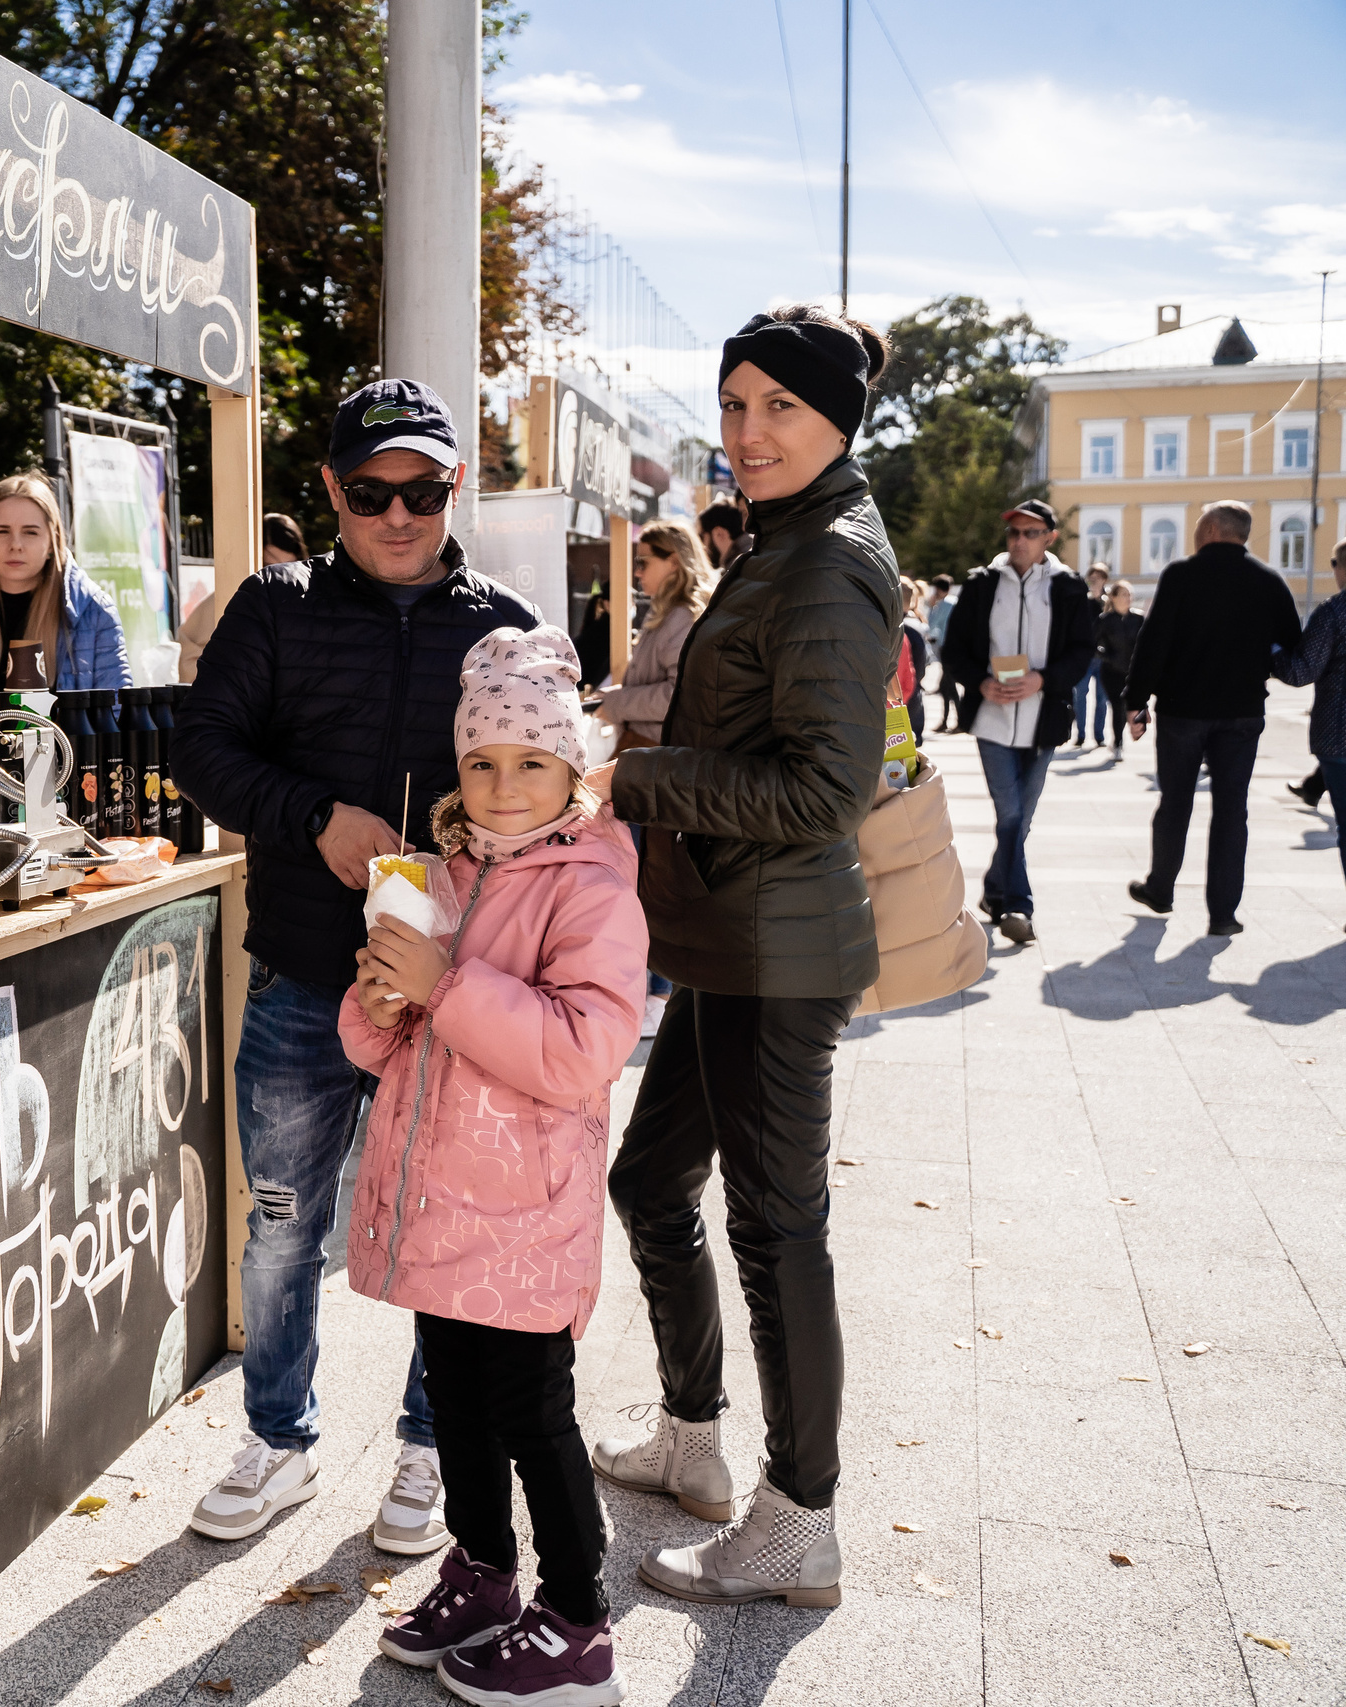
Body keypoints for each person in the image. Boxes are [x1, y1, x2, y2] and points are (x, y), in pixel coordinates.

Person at [173, 377, 541, 1554]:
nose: (398, 514)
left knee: (443, 1223)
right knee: (282, 1223)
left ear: (453, 488)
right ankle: (277, 1442)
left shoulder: (506, 626)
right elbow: (203, 752)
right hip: (299, 976)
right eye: (372, 490)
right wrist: (312, 815)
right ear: (331, 489)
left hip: (442, 995)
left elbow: (550, 794)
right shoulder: (273, 609)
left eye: (423, 490)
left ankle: (433, 1449)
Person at [581, 303, 901, 1611]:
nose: (749, 432)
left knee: (778, 1231)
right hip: (725, 934)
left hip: (778, 948)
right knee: (654, 1179)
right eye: (733, 405)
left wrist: (632, 778)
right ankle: (696, 1438)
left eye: (778, 406)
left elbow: (825, 787)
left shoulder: (830, 558)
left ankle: (799, 1516)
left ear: (837, 420)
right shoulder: (782, 543)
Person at [350, 625, 644, 1705]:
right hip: (438, 1202)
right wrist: (381, 997)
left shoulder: (592, 887)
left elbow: (580, 1053)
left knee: (530, 1412)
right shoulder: (441, 871)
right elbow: (381, 1044)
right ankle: (481, 1571)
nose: (504, 784)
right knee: (456, 1401)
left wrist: (445, 982)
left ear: (571, 767)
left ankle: (577, 1618)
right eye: (482, 761)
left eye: (531, 762)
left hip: (522, 1209)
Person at [1125, 500, 1303, 936]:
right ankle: (1223, 915)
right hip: (1242, 713)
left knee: (1175, 803)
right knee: (1231, 811)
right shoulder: (1268, 581)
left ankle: (1161, 888)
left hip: (1183, 711)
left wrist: (1136, 699)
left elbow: (1154, 640)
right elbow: (1294, 644)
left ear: (1210, 530)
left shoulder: (1181, 575)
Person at [935, 498, 1096, 947]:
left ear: (1049, 537)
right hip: (992, 719)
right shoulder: (983, 584)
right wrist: (981, 683)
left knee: (1020, 820)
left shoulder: (1067, 587)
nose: (1020, 541)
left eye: (1030, 533)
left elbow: (1083, 651)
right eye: (1013, 533)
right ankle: (1018, 906)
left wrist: (1044, 679)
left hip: (1043, 720)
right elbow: (954, 650)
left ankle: (992, 891)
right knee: (1010, 812)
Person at [592, 518, 715, 1040]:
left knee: (649, 876)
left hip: (654, 763)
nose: (637, 571)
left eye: (645, 561)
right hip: (645, 759)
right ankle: (653, 988)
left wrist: (613, 701)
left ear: (674, 560)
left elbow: (675, 697)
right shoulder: (671, 614)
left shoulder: (684, 616)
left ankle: (657, 991)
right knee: (643, 873)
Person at [0, 474, 131, 713]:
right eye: (1, 531)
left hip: (65, 752)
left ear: (52, 542)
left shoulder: (92, 610)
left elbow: (116, 718)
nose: (15, 544)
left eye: (30, 532)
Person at [1277, 541, 1346, 888]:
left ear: (1340, 568)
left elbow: (1301, 671)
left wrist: (1272, 650)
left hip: (1339, 735)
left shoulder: (1333, 613)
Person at [178, 514, 305, 681]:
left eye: (287, 570)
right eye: (268, 567)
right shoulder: (227, 599)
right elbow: (191, 667)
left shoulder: (304, 602)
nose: (277, 578)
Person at [1095, 579, 1144, 757]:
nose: (1128, 598)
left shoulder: (1138, 619)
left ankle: (1119, 739)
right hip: (1111, 671)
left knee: (1125, 708)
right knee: (1117, 705)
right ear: (1113, 598)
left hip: (1132, 672)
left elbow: (1147, 643)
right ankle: (1118, 743)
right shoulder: (1105, 620)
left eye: (1130, 594)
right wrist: (1108, 657)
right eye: (1124, 594)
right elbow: (1093, 644)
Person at [1070, 565, 1112, 746]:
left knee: (1102, 699)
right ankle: (1080, 734)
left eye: (1098, 578)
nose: (1094, 582)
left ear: (1104, 580)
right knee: (1080, 696)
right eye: (1091, 578)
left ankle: (1099, 735)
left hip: (1103, 658)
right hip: (1085, 657)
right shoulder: (1082, 601)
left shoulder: (1109, 602)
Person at [896, 577, 933, 749]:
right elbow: (920, 668)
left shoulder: (898, 630)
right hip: (910, 698)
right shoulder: (917, 626)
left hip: (899, 701)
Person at [926, 574, 959, 732]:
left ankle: (955, 721)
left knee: (948, 687)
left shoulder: (943, 604)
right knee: (948, 685)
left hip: (946, 648)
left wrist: (932, 607)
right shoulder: (956, 601)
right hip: (957, 647)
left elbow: (931, 625)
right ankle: (949, 720)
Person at [698, 500, 747, 570]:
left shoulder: (738, 569)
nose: (702, 547)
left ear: (719, 533)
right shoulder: (744, 560)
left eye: (701, 537)